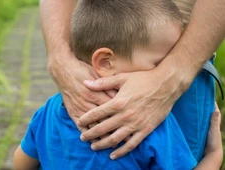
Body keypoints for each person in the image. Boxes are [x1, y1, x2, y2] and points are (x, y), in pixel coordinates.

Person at [14, 1, 223, 169]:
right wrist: (214, 156)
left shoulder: (48, 112)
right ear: (105, 62)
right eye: (158, 63)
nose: (160, 70)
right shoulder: (151, 126)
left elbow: (20, 162)